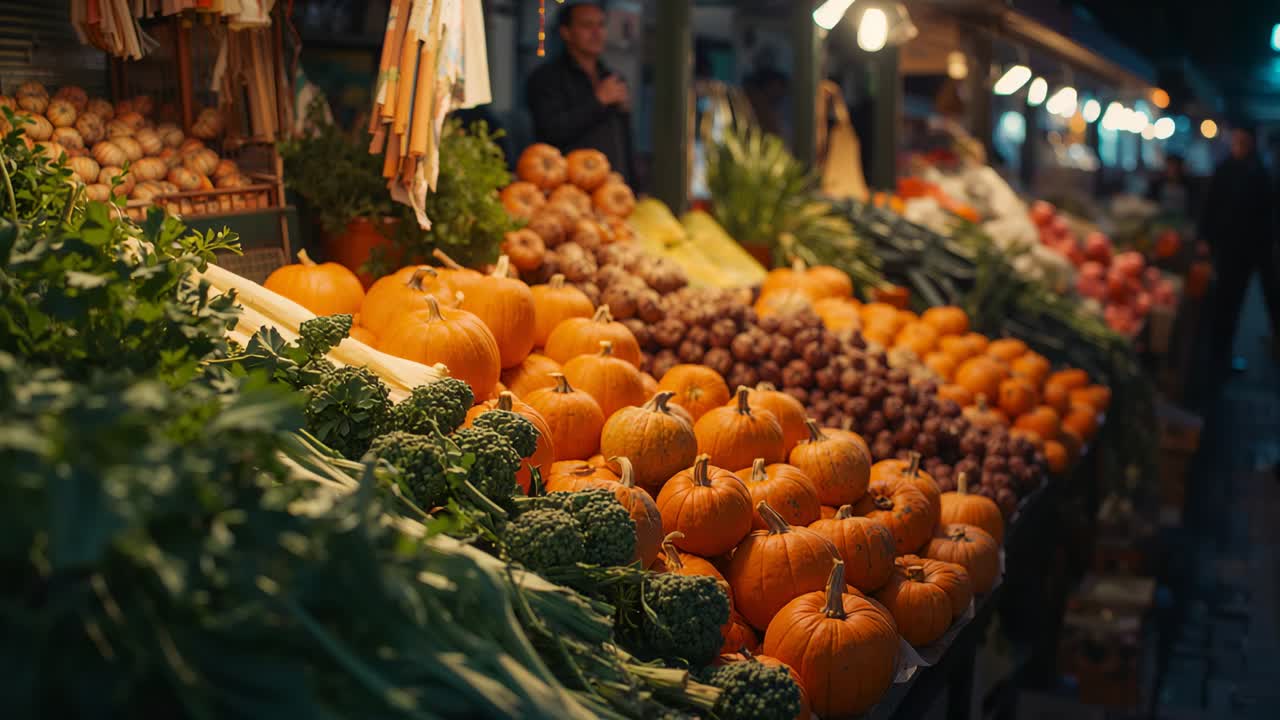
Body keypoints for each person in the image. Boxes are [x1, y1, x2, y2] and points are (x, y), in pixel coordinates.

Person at [526, 1, 634, 182]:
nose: (596, 33)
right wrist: (598, 101)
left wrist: (633, 183)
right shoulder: (547, 78)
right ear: (566, 32)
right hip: (567, 188)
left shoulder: (611, 77)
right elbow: (550, 131)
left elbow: (624, 139)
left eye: (601, 25)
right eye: (587, 25)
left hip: (613, 186)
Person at [1200, 126, 1280, 369]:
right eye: (1237, 141)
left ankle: (1224, 355)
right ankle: (1219, 355)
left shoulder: (1260, 172)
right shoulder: (1225, 170)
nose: (1239, 145)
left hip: (1256, 249)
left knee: (1249, 301)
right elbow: (1210, 207)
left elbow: (1268, 213)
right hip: (1230, 250)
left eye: (1244, 141)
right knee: (1227, 303)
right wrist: (1206, 238)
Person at [1148, 154, 1198, 219]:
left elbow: (1194, 206)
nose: (1171, 169)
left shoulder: (1190, 185)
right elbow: (1150, 202)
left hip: (1183, 218)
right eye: (1168, 166)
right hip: (1161, 217)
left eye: (1173, 166)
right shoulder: (1157, 185)